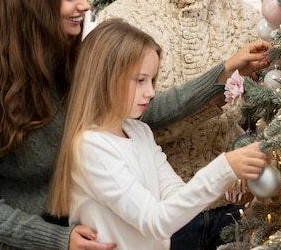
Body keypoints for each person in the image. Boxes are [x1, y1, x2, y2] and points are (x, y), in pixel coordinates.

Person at [0, 0, 269, 250]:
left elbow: (142, 111)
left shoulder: (74, 64)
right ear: (34, 4)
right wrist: (57, 239)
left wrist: (226, 72)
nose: (85, 4)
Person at [98, 0, 265, 249]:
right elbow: (136, 122)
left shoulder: (240, 16)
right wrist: (223, 76)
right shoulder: (123, 21)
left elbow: (264, 111)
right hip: (160, 218)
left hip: (236, 213)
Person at [47, 18, 268, 250]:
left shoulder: (138, 131)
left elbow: (175, 197)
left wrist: (228, 178)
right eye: (140, 81)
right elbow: (156, 222)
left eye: (152, 80)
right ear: (106, 78)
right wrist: (224, 169)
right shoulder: (91, 146)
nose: (151, 92)